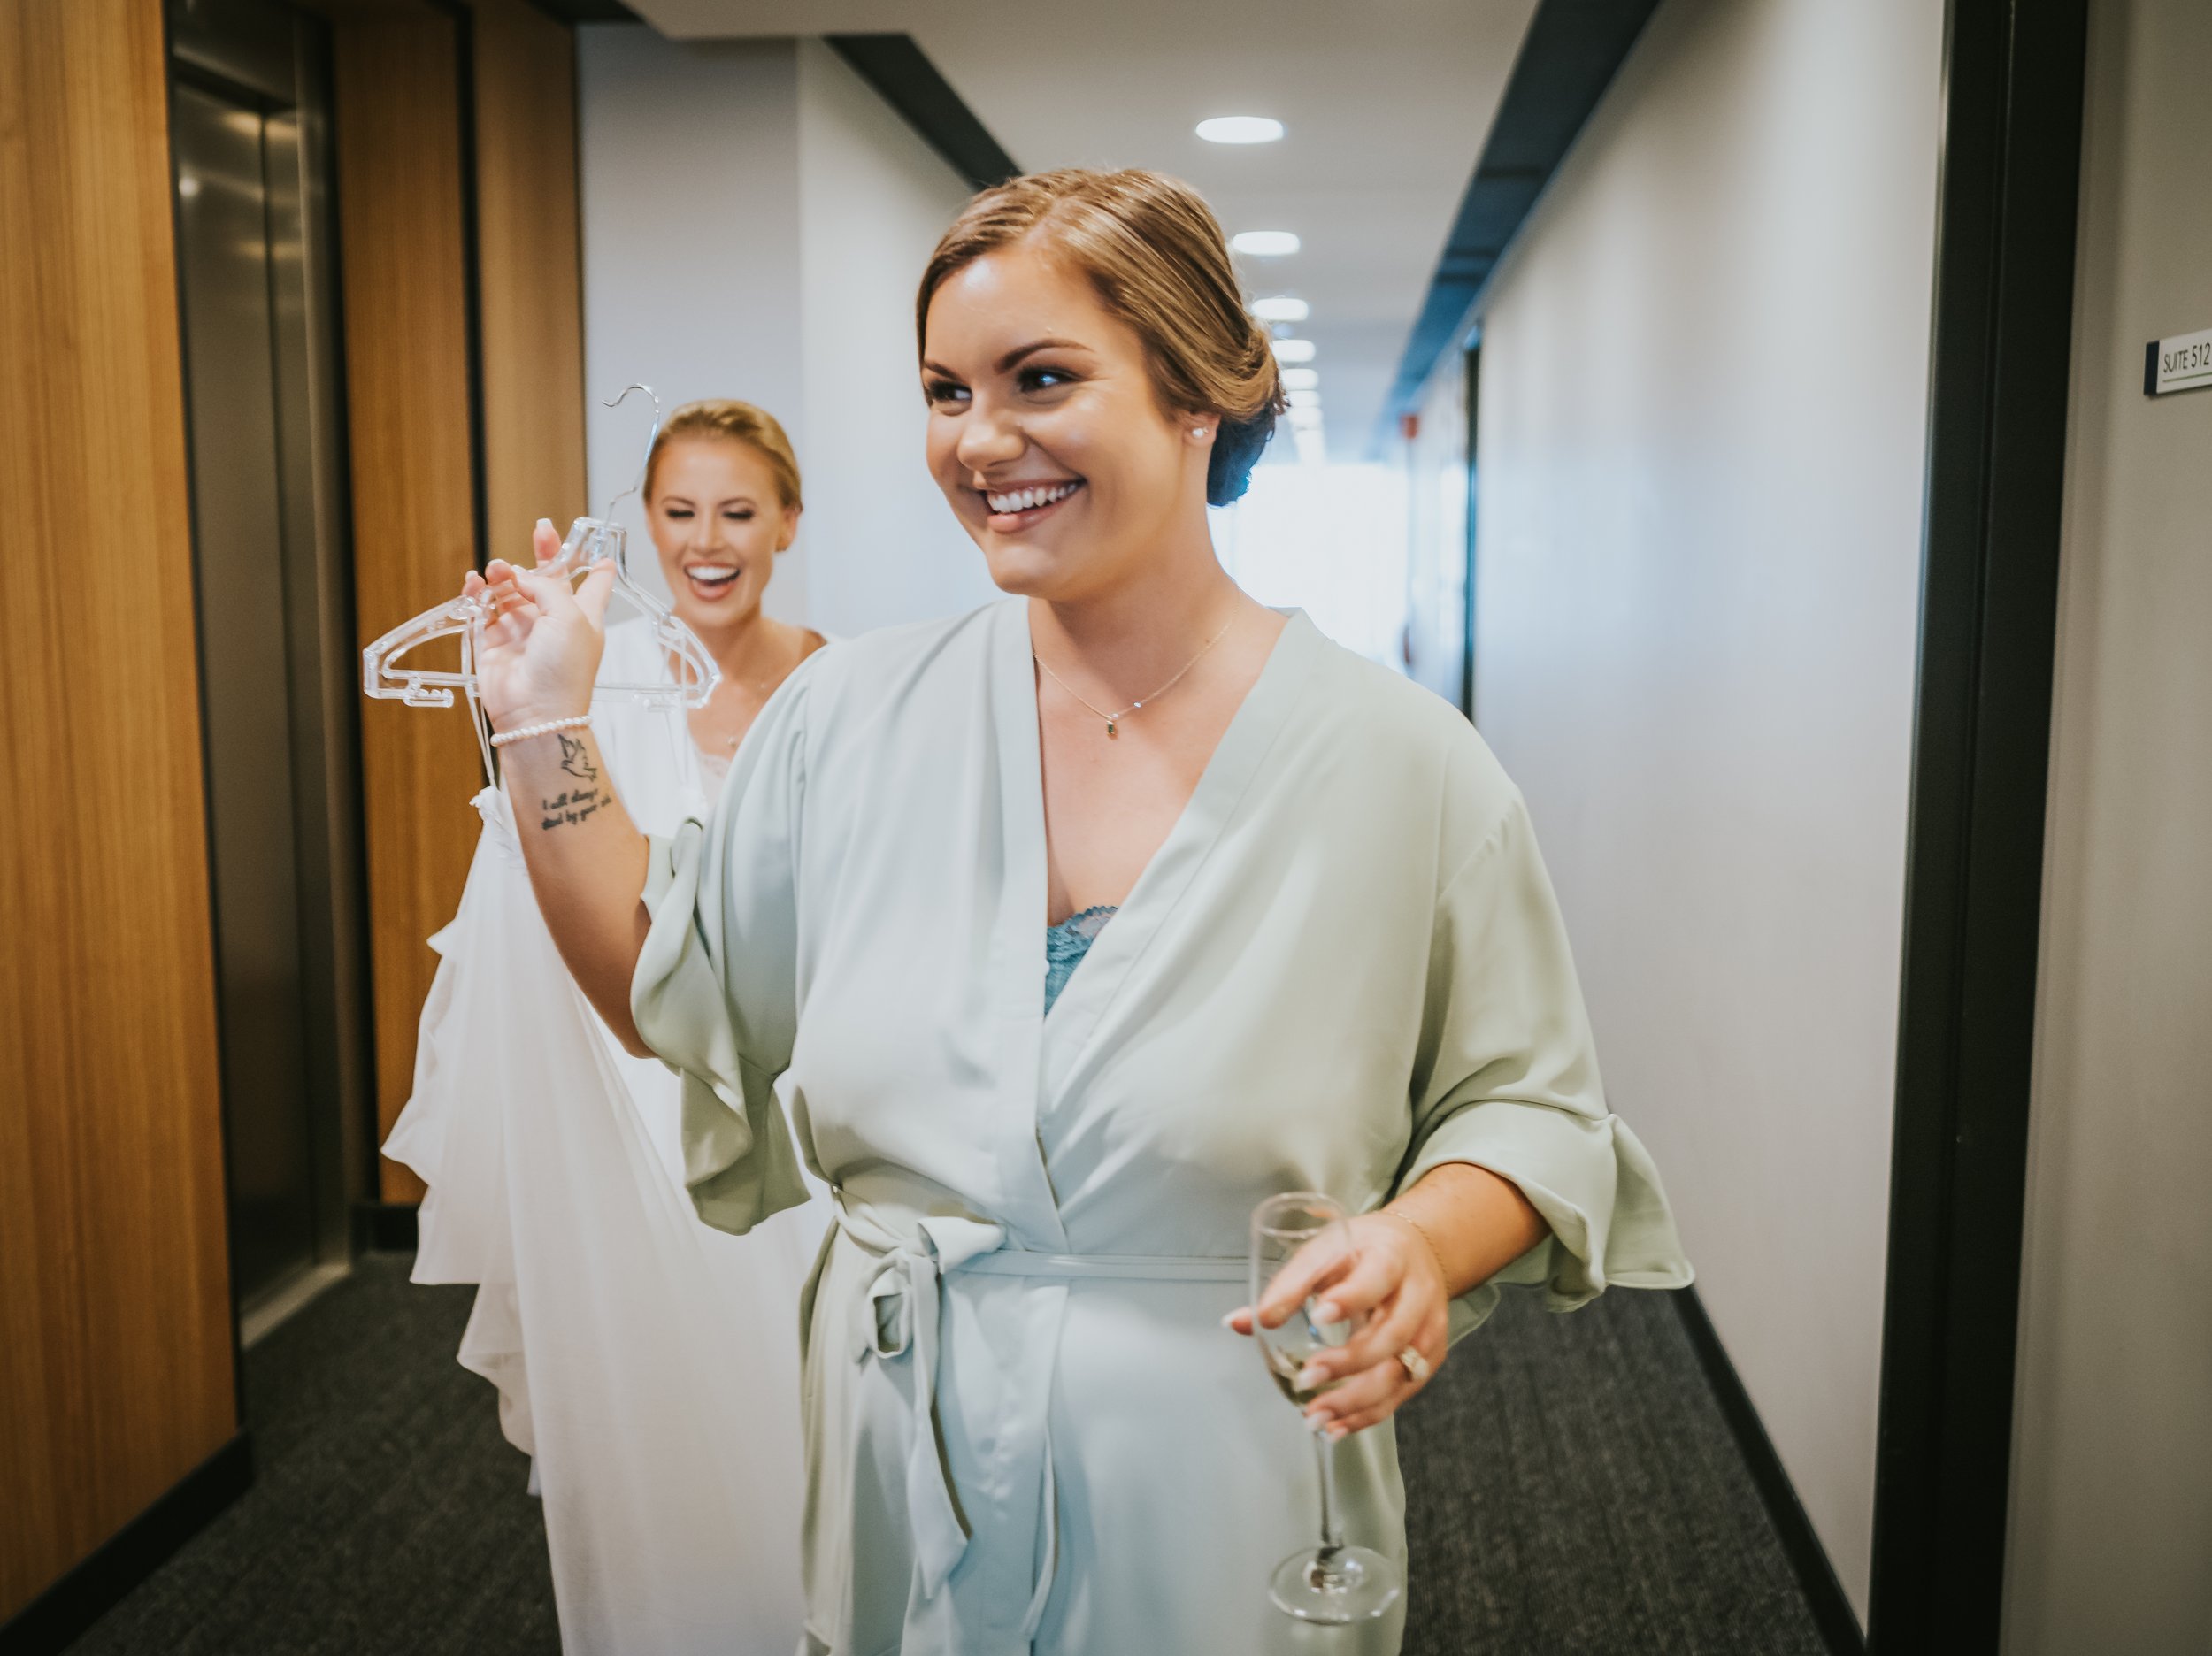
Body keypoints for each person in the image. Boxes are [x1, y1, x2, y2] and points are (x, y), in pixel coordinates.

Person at [464, 170, 1692, 1655]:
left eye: (1040, 378)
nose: (980, 441)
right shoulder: (848, 720)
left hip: (1220, 1480)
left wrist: (1426, 1242)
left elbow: (1532, 1109)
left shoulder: (1402, 765)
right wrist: (542, 728)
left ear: (1199, 399)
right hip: (900, 1468)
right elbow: (680, 988)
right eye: (944, 390)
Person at [385, 401, 826, 1654]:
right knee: (671, 1394)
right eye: (679, 512)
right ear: (642, 524)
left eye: (738, 511)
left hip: (792, 1082)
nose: (707, 540)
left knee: (801, 1384)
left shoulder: (835, 683)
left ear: (788, 521)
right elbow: (537, 915)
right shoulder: (599, 684)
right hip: (629, 1081)